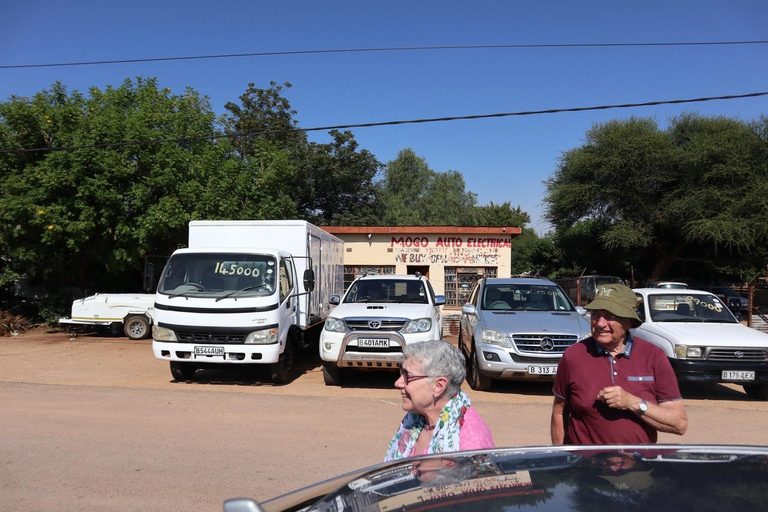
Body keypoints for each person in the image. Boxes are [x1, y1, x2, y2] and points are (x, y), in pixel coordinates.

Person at [551, 284, 687, 445]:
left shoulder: (653, 356)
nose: (600, 323)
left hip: (639, 465)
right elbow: (559, 413)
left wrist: (632, 403)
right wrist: (562, 462)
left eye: (610, 316)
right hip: (586, 466)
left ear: (629, 321)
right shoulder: (574, 355)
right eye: (595, 314)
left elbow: (679, 424)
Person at [385, 340, 495, 461]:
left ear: (438, 386)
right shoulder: (415, 421)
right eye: (401, 372)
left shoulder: (472, 442)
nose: (397, 383)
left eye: (407, 376)